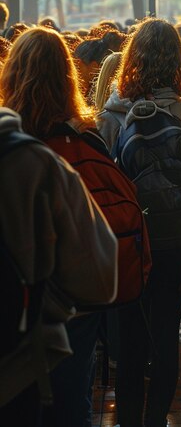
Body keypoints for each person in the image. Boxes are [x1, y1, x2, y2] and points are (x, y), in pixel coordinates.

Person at [0, 27, 120, 427]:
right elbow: (101, 277)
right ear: (68, 78)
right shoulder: (72, 151)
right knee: (70, 408)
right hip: (60, 321)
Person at [97, 18, 181, 427]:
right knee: (166, 330)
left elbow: (104, 172)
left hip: (129, 237)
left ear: (132, 57)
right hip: (177, 235)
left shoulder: (113, 109)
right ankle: (157, 420)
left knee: (131, 337)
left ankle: (128, 422)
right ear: (178, 59)